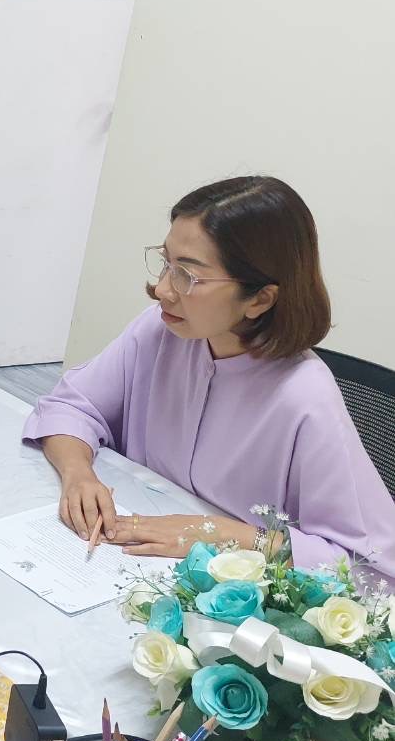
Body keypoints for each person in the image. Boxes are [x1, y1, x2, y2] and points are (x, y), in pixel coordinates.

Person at [25, 175, 395, 580]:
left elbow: (367, 568)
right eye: (166, 263)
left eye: (187, 275)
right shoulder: (160, 331)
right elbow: (70, 407)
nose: (162, 290)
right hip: (122, 560)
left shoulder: (304, 397)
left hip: (227, 594)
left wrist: (224, 534)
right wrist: (78, 474)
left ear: (259, 299)